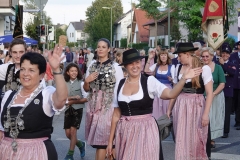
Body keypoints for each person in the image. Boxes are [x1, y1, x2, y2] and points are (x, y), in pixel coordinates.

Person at [106, 48, 203, 160]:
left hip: (145, 131)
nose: (134, 66)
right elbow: (116, 116)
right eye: (130, 64)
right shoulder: (119, 84)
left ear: (141, 63)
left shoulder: (149, 81)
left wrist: (183, 79)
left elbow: (171, 94)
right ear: (125, 66)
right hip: (124, 132)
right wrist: (110, 142)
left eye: (137, 62)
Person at [0, 46, 68, 160]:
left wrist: (56, 70)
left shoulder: (46, 94)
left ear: (41, 75)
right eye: (23, 69)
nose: (25, 74)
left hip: (36, 154)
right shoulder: (8, 95)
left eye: (31, 70)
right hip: (6, 153)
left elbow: (61, 100)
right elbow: (1, 130)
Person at [167, 43, 213, 159]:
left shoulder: (204, 68)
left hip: (196, 106)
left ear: (187, 54)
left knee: (196, 138)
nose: (178, 58)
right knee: (181, 138)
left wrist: (206, 115)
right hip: (181, 106)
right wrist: (169, 109)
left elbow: (209, 93)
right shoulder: (178, 68)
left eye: (180, 55)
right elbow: (175, 91)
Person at [83, 38, 123, 160]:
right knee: (101, 143)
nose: (100, 49)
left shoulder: (115, 67)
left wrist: (118, 109)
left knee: (105, 142)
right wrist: (87, 80)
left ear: (109, 49)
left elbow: (120, 89)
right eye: (99, 46)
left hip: (109, 106)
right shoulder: (92, 65)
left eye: (103, 47)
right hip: (94, 106)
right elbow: (86, 89)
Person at [201, 47, 226, 148]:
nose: (205, 58)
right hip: (202, 96)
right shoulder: (199, 67)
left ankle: (211, 138)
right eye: (203, 56)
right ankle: (202, 137)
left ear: (212, 56)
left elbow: (222, 83)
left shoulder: (218, 67)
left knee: (213, 117)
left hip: (216, 96)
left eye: (207, 56)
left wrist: (213, 94)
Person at [63, 63, 87, 159]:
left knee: (73, 133)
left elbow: (86, 98)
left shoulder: (81, 83)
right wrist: (72, 98)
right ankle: (81, 144)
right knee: (68, 134)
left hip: (78, 110)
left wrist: (73, 102)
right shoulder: (64, 83)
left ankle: (70, 155)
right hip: (67, 109)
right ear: (68, 72)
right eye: (72, 71)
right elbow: (61, 98)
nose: (74, 73)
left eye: (76, 71)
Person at [147, 49, 175, 119]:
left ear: (167, 56)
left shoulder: (171, 67)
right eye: (161, 55)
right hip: (157, 90)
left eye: (165, 55)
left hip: (167, 90)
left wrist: (171, 80)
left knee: (166, 109)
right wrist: (149, 59)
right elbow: (146, 71)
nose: (163, 57)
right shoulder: (156, 65)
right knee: (156, 110)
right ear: (159, 57)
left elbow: (175, 81)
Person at [218, 44, 236, 138]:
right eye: (223, 53)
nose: (225, 55)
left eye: (227, 53)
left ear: (229, 55)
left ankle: (225, 131)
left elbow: (232, 72)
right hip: (217, 90)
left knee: (226, 112)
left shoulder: (232, 64)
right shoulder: (217, 63)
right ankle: (218, 129)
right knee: (218, 112)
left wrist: (224, 64)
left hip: (227, 90)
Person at [229, 41, 240, 130]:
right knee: (235, 102)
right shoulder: (233, 56)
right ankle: (237, 120)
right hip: (235, 83)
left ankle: (238, 121)